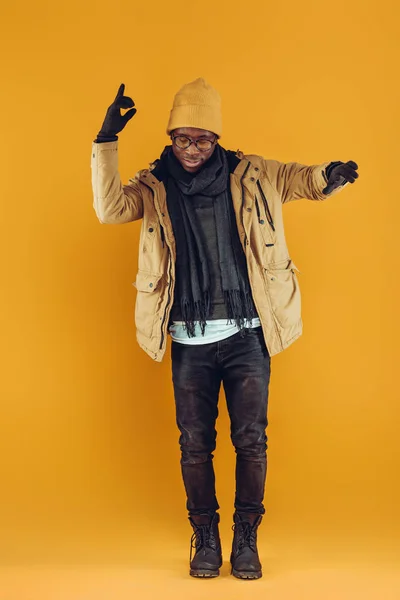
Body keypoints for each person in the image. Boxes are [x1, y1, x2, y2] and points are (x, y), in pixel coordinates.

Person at [91, 78, 359, 579]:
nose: (192, 150)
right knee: (194, 442)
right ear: (171, 138)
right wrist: (106, 141)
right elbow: (109, 209)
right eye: (183, 139)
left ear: (217, 139)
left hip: (247, 334)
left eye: (203, 139)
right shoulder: (153, 186)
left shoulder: (254, 174)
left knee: (251, 440)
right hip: (189, 339)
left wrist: (331, 175)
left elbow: (302, 179)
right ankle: (206, 537)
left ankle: (247, 538)